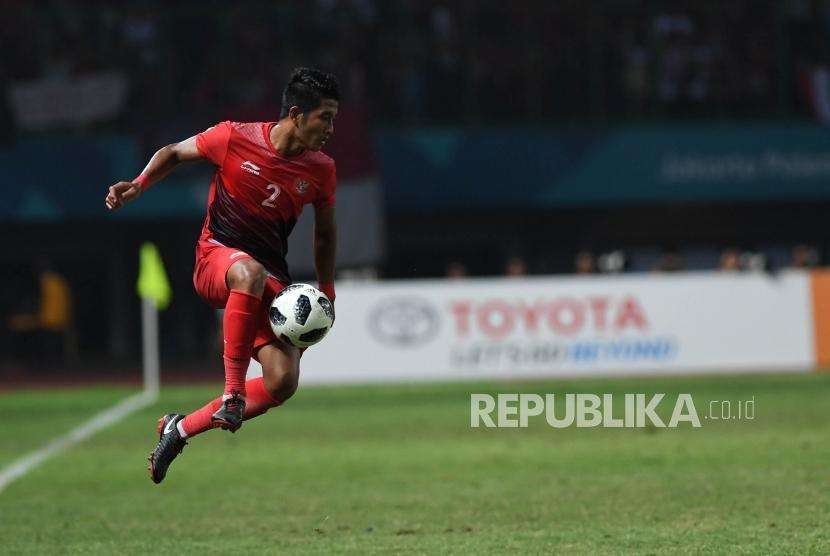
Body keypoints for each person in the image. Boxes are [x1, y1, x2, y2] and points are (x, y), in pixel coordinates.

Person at [105, 68, 340, 484]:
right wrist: (139, 185)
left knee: (283, 380)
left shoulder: (320, 170)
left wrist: (328, 288)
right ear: (298, 114)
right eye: (325, 118)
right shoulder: (234, 136)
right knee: (247, 271)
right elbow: (175, 152)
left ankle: (178, 430)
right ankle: (231, 392)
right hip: (215, 259)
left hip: (269, 279)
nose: (330, 129)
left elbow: (324, 234)